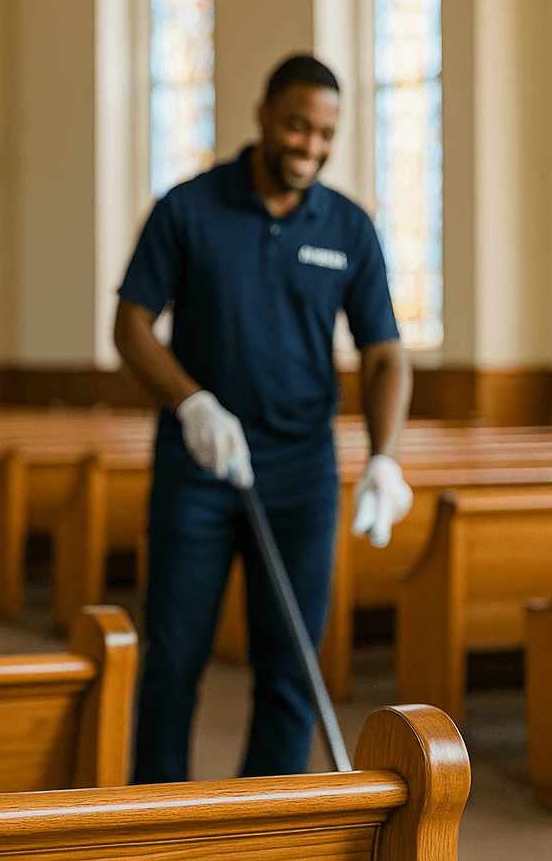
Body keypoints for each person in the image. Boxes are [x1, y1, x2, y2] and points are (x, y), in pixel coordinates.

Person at [114, 54, 413, 783]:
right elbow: (131, 325)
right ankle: (159, 826)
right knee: (173, 663)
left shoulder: (347, 226)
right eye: (296, 127)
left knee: (292, 671)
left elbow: (385, 356)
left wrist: (384, 456)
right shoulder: (188, 207)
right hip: (199, 466)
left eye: (324, 134)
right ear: (263, 115)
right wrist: (192, 401)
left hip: (302, 474)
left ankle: (267, 830)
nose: (309, 146)